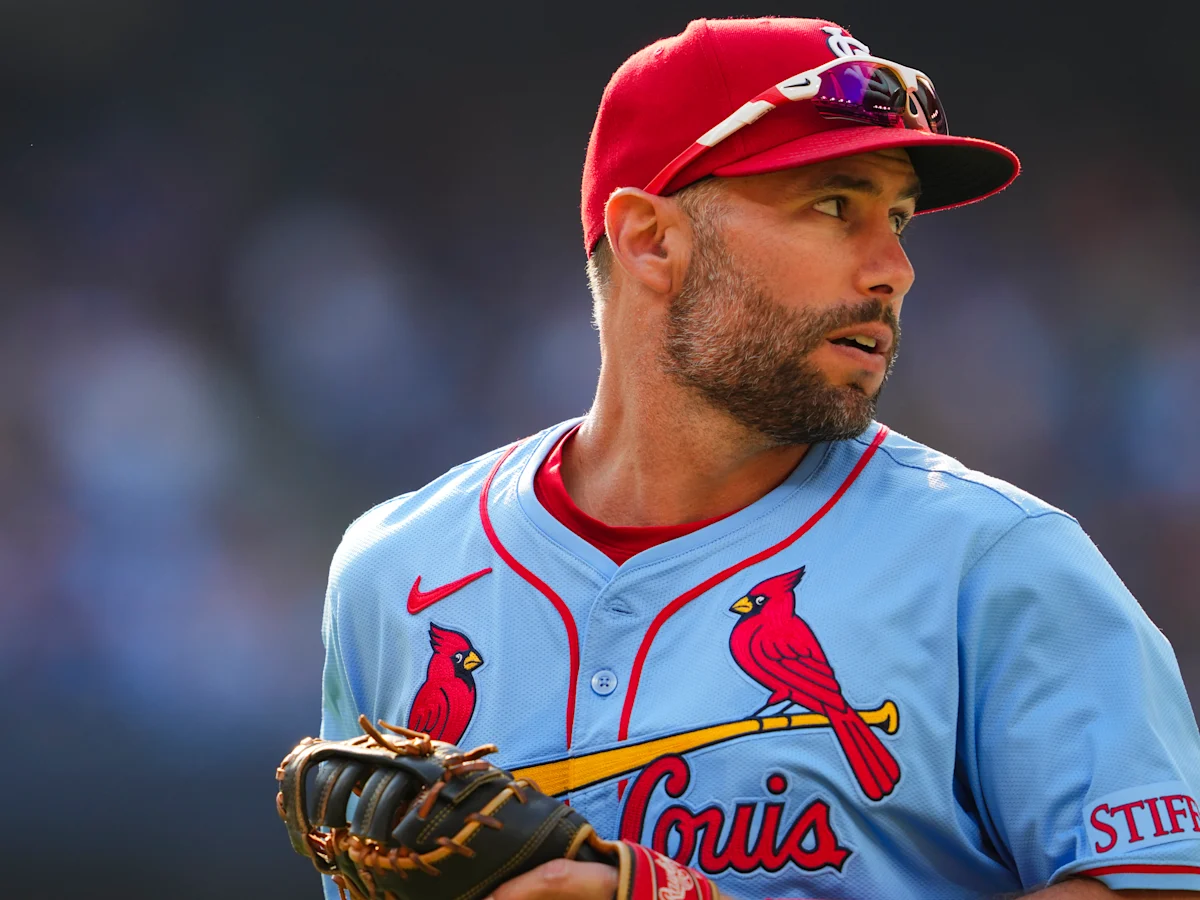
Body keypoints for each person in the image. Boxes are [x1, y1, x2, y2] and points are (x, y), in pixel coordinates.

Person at [318, 16, 1200, 900]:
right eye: (835, 206)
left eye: (896, 218)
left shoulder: (1000, 564)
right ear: (651, 240)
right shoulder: (393, 574)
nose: (894, 268)